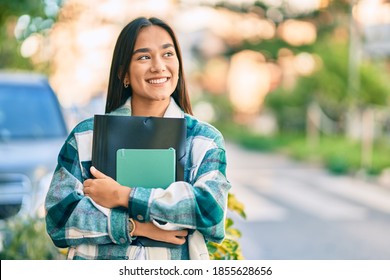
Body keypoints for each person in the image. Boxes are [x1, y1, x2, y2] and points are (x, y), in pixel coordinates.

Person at [45, 16, 231, 260]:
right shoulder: (86, 136)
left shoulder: (203, 140)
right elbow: (59, 219)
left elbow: (210, 211)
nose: (158, 66)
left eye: (167, 54)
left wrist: (122, 195)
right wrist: (136, 227)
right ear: (123, 73)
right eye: (144, 57)